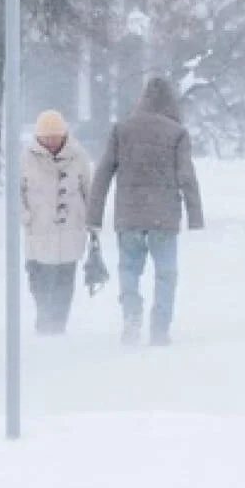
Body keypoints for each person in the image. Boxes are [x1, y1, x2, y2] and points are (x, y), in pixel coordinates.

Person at [88, 77, 204, 346]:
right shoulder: (177, 133)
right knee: (166, 273)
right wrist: (195, 215)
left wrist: (94, 215)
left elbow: (103, 172)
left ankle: (131, 313)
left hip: (129, 215)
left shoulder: (122, 130)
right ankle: (160, 328)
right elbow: (186, 175)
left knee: (129, 268)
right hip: (163, 217)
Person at [21, 110, 93, 335]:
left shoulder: (78, 155)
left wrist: (91, 221)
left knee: (64, 281)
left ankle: (58, 325)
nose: (51, 142)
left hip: (70, 230)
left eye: (55, 137)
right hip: (39, 230)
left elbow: (88, 190)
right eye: (46, 137)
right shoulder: (25, 158)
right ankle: (44, 321)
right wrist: (26, 217)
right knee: (39, 279)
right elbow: (17, 193)